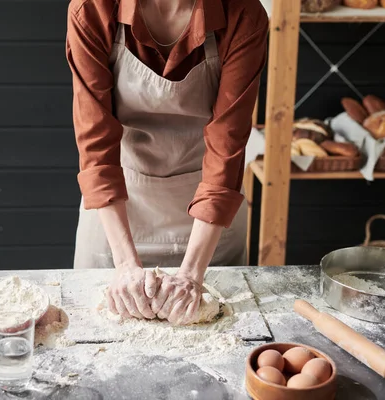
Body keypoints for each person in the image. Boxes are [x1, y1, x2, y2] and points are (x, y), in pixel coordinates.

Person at [66, 0, 268, 325]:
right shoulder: (93, 9)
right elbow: (96, 145)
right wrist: (126, 266)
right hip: (119, 214)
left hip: (208, 222)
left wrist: (192, 273)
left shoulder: (243, 14)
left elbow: (227, 143)